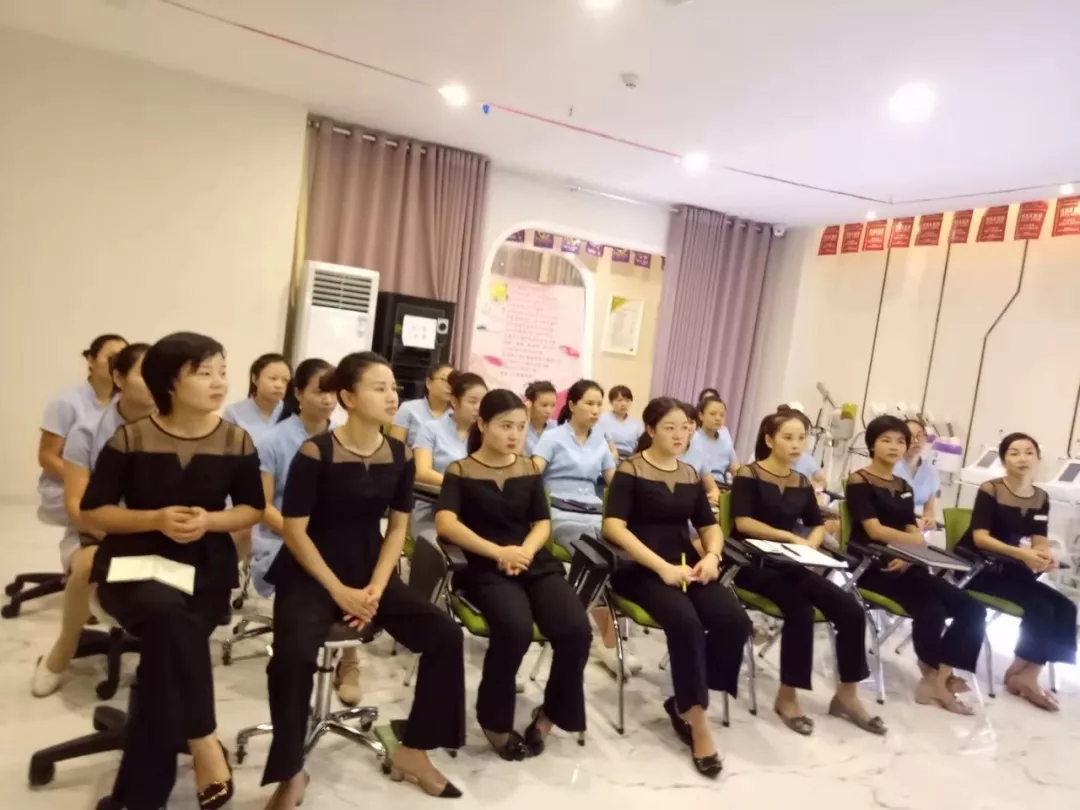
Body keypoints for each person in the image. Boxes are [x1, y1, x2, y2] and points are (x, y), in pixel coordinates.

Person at [261, 352, 465, 805]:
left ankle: (414, 751)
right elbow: (294, 531)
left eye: (394, 387)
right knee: (292, 657)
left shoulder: (400, 455)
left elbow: (396, 529)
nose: (392, 396)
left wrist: (375, 587)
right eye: (379, 387)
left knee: (445, 636)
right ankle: (291, 772)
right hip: (311, 572)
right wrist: (339, 592)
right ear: (348, 398)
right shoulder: (315, 452)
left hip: (371, 570)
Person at [79, 332, 265, 810]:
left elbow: (252, 508)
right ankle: (202, 737)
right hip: (133, 564)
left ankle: (136, 799)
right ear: (169, 383)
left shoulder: (235, 440)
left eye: (222, 371)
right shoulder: (132, 437)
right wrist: (155, 519)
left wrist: (211, 521)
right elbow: (94, 511)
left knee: (164, 658)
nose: (219, 382)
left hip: (203, 567)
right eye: (204, 373)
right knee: (167, 618)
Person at [436, 389, 591, 760]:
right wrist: (499, 552)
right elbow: (446, 524)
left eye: (521, 427)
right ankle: (494, 720)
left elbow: (541, 523)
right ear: (482, 424)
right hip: (485, 566)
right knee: (514, 628)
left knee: (576, 630)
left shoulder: (528, 469)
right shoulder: (461, 470)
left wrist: (524, 552)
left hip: (533, 561)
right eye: (506, 426)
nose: (515, 434)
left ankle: (550, 713)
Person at [604, 398, 751, 778]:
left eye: (685, 427)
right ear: (651, 430)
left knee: (735, 621)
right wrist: (662, 568)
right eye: (669, 427)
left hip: (686, 565)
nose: (679, 434)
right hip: (640, 569)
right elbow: (613, 527)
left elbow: (708, 526)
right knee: (686, 624)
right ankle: (697, 721)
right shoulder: (631, 470)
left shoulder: (689, 474)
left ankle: (686, 699)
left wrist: (713, 557)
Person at [731, 409, 884, 736]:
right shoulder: (749, 474)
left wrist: (811, 543)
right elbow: (742, 522)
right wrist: (788, 537)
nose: (796, 444)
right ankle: (787, 696)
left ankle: (847, 694)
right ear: (769, 440)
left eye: (801, 438)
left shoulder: (801, 481)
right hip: (751, 564)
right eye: (788, 437)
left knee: (850, 610)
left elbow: (816, 523)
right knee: (799, 610)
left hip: (791, 563)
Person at [31, 342, 155, 697]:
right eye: (145, 374)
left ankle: (162, 656)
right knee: (88, 567)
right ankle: (63, 649)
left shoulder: (174, 427)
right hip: (97, 531)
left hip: (156, 531)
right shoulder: (88, 430)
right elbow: (77, 506)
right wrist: (122, 535)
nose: (156, 382)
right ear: (119, 377)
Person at [846, 415, 986, 715]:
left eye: (900, 441)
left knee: (973, 609)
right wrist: (910, 544)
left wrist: (910, 551)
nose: (894, 446)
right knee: (931, 609)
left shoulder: (903, 485)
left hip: (910, 565)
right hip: (874, 567)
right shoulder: (859, 481)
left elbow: (912, 526)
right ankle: (934, 676)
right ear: (872, 444)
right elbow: (874, 530)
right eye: (886, 440)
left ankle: (941, 676)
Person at [252, 358, 362, 706]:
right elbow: (262, 506)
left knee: (357, 561)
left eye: (332, 393)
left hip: (333, 538)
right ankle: (301, 658)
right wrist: (300, 533)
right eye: (319, 392)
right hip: (282, 538)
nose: (328, 400)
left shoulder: (347, 438)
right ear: (298, 393)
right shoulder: (272, 441)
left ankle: (349, 660)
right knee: (316, 574)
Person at [959, 432, 1076, 712]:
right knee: (1041, 608)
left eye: (1028, 452)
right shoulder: (990, 490)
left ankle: (1027, 671)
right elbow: (981, 538)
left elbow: (1039, 538)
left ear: (1038, 458)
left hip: (1012, 568)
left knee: (1066, 608)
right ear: (1003, 460)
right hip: (981, 567)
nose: (1022, 458)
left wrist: (1044, 554)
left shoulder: (1040, 497)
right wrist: (1022, 554)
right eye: (1014, 453)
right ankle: (1022, 675)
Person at [533, 379, 636, 675]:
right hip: (559, 513)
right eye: (589, 403)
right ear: (572, 404)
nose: (595, 410)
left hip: (593, 512)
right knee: (596, 556)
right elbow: (532, 473)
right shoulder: (553, 437)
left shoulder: (600, 441)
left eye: (598, 404)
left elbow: (615, 482)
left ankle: (605, 636)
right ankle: (608, 642)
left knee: (622, 551)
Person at [38, 334, 129, 532]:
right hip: (66, 487)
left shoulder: (124, 401)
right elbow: (46, 456)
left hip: (108, 483)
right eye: (111, 357)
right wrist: (88, 480)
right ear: (91, 360)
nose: (116, 364)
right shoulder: (66, 401)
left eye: (122, 359)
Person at [411, 372, 487, 544]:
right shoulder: (430, 429)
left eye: (483, 402)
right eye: (472, 401)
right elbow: (422, 473)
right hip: (432, 509)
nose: (478, 408)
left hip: (473, 514)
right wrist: (462, 485)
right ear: (454, 401)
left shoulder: (486, 436)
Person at [222, 353, 292, 443]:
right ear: (255, 379)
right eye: (273, 378)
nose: (279, 385)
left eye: (285, 380)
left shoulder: (292, 413)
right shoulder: (234, 413)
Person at [390, 361, 455, 446]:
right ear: (429, 383)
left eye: (453, 382)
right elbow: (395, 448)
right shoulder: (409, 409)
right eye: (444, 380)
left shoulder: (456, 416)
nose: (450, 386)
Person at [893, 419, 941, 530]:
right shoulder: (892, 468)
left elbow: (928, 510)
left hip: (916, 528)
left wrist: (929, 521)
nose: (916, 441)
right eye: (910, 436)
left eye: (920, 435)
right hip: (892, 526)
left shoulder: (931, 471)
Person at [688, 397, 739, 483]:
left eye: (722, 415)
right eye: (712, 414)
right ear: (701, 416)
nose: (718, 418)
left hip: (721, 487)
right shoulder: (692, 439)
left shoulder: (726, 443)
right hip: (697, 484)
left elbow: (736, 470)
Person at [597, 385, 644, 459]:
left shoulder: (637, 424)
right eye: (619, 400)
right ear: (611, 402)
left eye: (627, 400)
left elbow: (641, 446)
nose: (624, 404)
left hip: (629, 460)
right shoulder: (601, 420)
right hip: (607, 458)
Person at [523, 380, 558, 455]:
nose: (549, 411)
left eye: (553, 405)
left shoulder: (557, 427)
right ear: (530, 404)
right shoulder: (520, 428)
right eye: (544, 405)